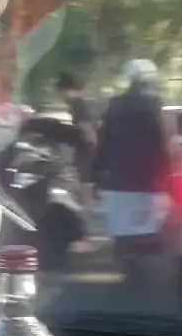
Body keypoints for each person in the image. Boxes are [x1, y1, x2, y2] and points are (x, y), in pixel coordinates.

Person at [92, 59, 171, 273]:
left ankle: (126, 251)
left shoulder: (116, 104)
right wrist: (166, 169)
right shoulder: (153, 103)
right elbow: (159, 139)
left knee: (123, 217)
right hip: (147, 171)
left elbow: (105, 139)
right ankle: (142, 251)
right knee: (145, 217)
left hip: (119, 170)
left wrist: (96, 170)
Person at [56, 71, 98, 209]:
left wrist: (93, 148)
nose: (59, 96)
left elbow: (87, 129)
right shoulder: (88, 102)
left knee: (86, 183)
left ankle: (88, 210)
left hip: (88, 150)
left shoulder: (78, 105)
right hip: (90, 150)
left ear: (65, 90)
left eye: (60, 92)